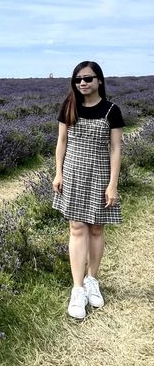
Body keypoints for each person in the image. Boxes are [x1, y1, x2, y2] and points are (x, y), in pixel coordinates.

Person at [52, 61, 124, 319]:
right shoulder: (69, 106)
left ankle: (93, 278)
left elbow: (116, 148)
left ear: (99, 81)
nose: (83, 83)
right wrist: (58, 172)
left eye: (88, 78)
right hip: (73, 172)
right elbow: (61, 141)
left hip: (101, 173)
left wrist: (113, 184)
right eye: (78, 79)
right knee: (77, 228)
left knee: (96, 228)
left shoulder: (111, 110)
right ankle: (78, 287)